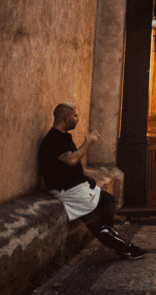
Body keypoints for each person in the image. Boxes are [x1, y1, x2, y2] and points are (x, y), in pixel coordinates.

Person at [39, 103, 145, 260]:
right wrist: (88, 142)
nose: (78, 119)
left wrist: (85, 177)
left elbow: (71, 164)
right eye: (75, 116)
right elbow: (71, 160)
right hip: (68, 189)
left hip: (78, 184)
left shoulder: (62, 136)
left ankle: (110, 232)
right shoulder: (53, 139)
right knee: (95, 222)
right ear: (66, 117)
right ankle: (124, 248)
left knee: (108, 201)